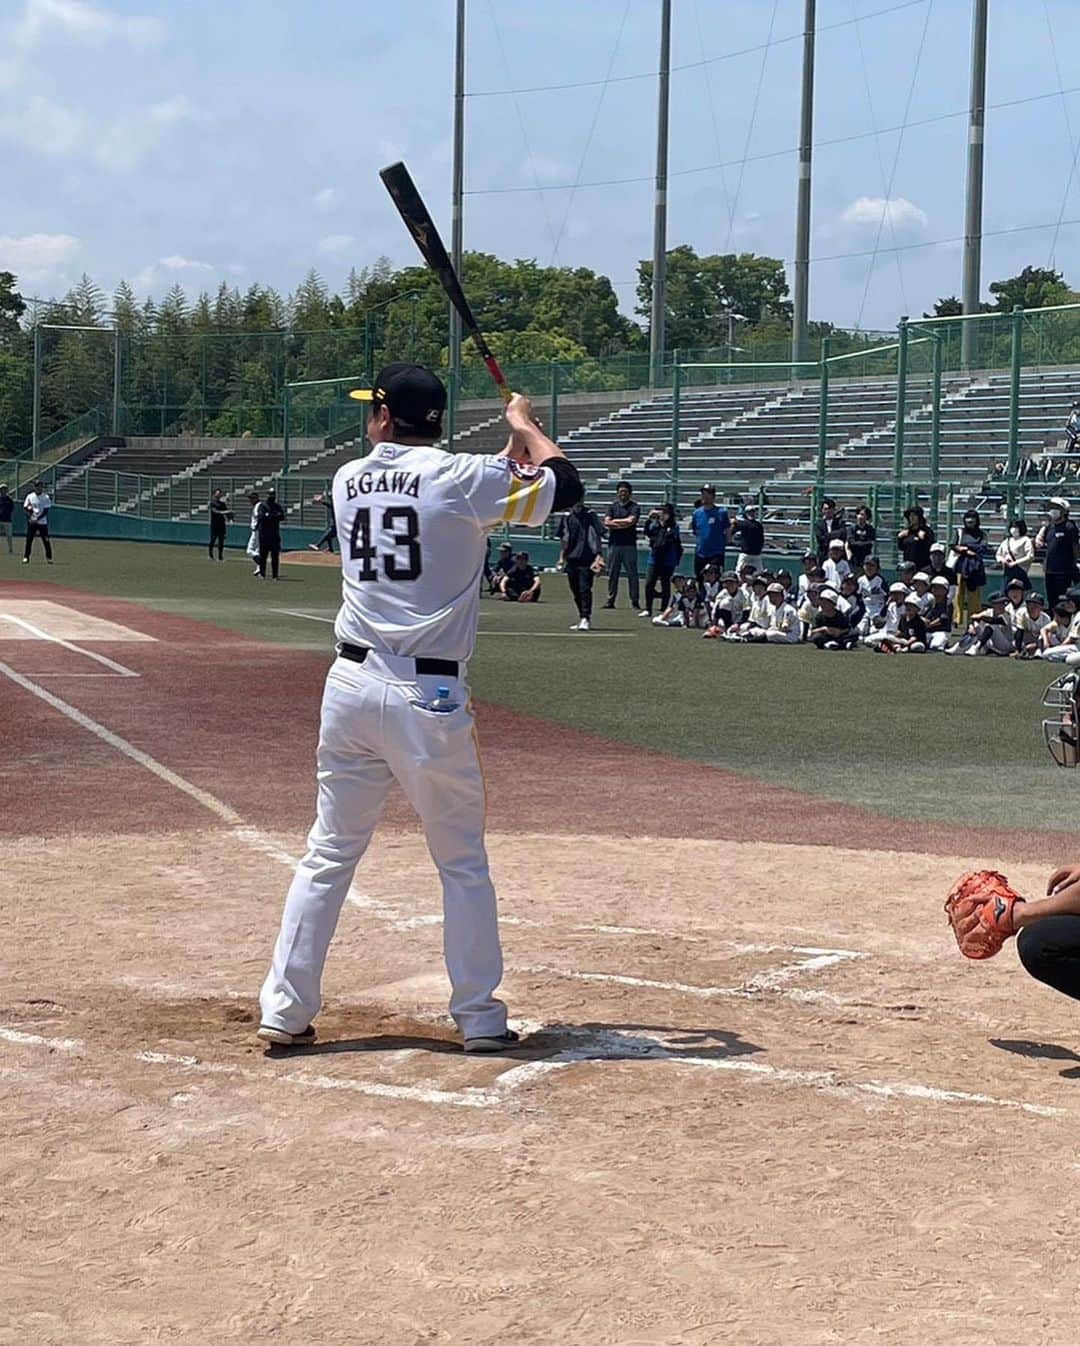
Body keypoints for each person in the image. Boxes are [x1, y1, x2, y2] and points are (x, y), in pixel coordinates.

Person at [258, 364, 582, 1054]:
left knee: (329, 853)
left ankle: (285, 1008)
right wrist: (526, 426)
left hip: (349, 687)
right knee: (460, 859)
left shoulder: (350, 479)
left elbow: (465, 491)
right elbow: (565, 487)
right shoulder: (461, 479)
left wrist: (508, 450)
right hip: (426, 697)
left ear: (385, 416)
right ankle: (478, 1016)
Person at [556, 498, 603, 629]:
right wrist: (561, 558)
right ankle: (582, 616)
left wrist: (599, 556)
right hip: (571, 558)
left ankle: (586, 617)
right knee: (575, 589)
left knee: (585, 588)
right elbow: (564, 539)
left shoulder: (590, 515)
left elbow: (598, 536)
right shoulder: (566, 517)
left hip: (587, 558)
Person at [1036, 497, 1080, 610]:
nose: (1052, 510)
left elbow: (1075, 548)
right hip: (1050, 571)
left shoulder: (1070, 527)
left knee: (1063, 600)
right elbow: (1044, 545)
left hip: (1064, 571)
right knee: (1051, 600)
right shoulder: (1050, 527)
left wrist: (1073, 564)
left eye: (1055, 508)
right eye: (1051, 508)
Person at [603, 481, 641, 610]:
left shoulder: (634, 507)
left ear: (629, 493)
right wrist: (621, 523)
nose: (622, 494)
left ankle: (635, 601)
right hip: (614, 544)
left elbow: (631, 521)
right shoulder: (612, 507)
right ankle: (610, 600)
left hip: (629, 545)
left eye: (625, 492)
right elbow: (607, 522)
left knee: (632, 574)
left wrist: (616, 522)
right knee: (612, 573)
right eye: (620, 492)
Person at [642, 502, 682, 619]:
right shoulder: (655, 524)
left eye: (665, 512)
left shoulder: (674, 526)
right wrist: (650, 519)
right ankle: (648, 608)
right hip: (654, 557)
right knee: (649, 583)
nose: (662, 514)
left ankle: (664, 608)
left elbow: (670, 538)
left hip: (668, 559)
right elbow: (648, 532)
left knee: (665, 584)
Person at [950, 509, 988, 628]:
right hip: (960, 566)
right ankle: (957, 619)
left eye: (972, 518)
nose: (969, 521)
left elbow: (983, 547)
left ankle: (974, 619)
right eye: (967, 518)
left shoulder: (982, 534)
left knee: (974, 596)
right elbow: (952, 545)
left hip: (975, 568)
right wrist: (965, 550)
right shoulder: (959, 532)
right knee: (958, 593)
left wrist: (966, 547)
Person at [690, 483, 731, 585]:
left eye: (707, 494)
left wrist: (724, 543)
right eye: (703, 494)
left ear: (713, 496)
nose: (704, 496)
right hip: (701, 552)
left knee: (715, 581)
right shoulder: (697, 513)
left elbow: (727, 529)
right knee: (700, 580)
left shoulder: (721, 512)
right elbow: (696, 530)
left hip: (715, 553)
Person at [996, 517, 1033, 591]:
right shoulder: (1007, 541)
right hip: (1007, 572)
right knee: (1004, 593)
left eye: (1016, 527)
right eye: (1012, 527)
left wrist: (1015, 563)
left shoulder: (1026, 540)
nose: (1013, 529)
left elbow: (1030, 556)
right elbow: (998, 554)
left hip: (1020, 572)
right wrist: (1002, 560)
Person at [256, 488, 285, 580]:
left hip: (274, 534)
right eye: (270, 494)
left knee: (275, 556)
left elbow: (282, 516)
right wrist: (274, 516)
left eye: (273, 494)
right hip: (264, 534)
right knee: (263, 555)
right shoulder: (262, 506)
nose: (271, 496)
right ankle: (262, 573)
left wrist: (270, 515)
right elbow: (261, 517)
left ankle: (275, 575)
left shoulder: (277, 506)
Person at [22, 479, 53, 564]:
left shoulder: (45, 497)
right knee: (29, 540)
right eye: (36, 486)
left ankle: (49, 557)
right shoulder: (30, 496)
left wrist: (37, 518)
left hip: (42, 522)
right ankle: (26, 557)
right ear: (34, 487)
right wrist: (31, 517)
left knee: (46, 540)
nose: (38, 488)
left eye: (40, 486)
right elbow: (25, 508)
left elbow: (46, 511)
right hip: (32, 522)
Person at [896, 505, 935, 569]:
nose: (912, 518)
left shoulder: (926, 531)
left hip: (922, 566)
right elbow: (901, 547)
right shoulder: (906, 532)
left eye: (914, 515)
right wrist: (900, 538)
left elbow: (929, 547)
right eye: (910, 516)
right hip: (908, 566)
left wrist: (923, 539)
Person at [731, 502, 764, 573]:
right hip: (746, 554)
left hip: (756, 554)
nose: (751, 513)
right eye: (749, 512)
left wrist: (735, 521)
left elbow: (745, 525)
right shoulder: (746, 524)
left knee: (760, 573)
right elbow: (733, 529)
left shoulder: (757, 525)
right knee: (738, 572)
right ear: (746, 513)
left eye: (752, 512)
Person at [924, 577, 954, 651]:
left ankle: (944, 642)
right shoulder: (930, 601)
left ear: (945, 590)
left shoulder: (948, 603)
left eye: (939, 587)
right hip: (928, 631)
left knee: (935, 646)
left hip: (942, 631)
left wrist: (929, 625)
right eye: (934, 587)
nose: (936, 589)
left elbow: (942, 619)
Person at [208, 489, 233, 561]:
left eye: (220, 493)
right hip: (214, 524)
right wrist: (225, 512)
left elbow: (227, 513)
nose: (219, 495)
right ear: (214, 494)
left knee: (221, 541)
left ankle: (220, 557)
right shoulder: (212, 503)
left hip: (221, 524)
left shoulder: (222, 504)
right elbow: (215, 512)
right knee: (213, 540)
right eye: (218, 493)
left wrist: (230, 518)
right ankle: (210, 555)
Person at [246, 492, 261, 569]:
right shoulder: (258, 505)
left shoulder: (257, 506)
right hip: (259, 531)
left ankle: (261, 563)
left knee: (249, 550)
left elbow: (259, 517)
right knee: (258, 550)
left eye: (251, 498)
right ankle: (259, 569)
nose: (250, 500)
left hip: (256, 531)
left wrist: (257, 526)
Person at [0, 484, 13, 555]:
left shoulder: (9, 500)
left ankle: (10, 549)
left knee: (9, 536)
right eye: (2, 489)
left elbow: (11, 508)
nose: (3, 491)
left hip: (7, 520)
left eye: (4, 489)